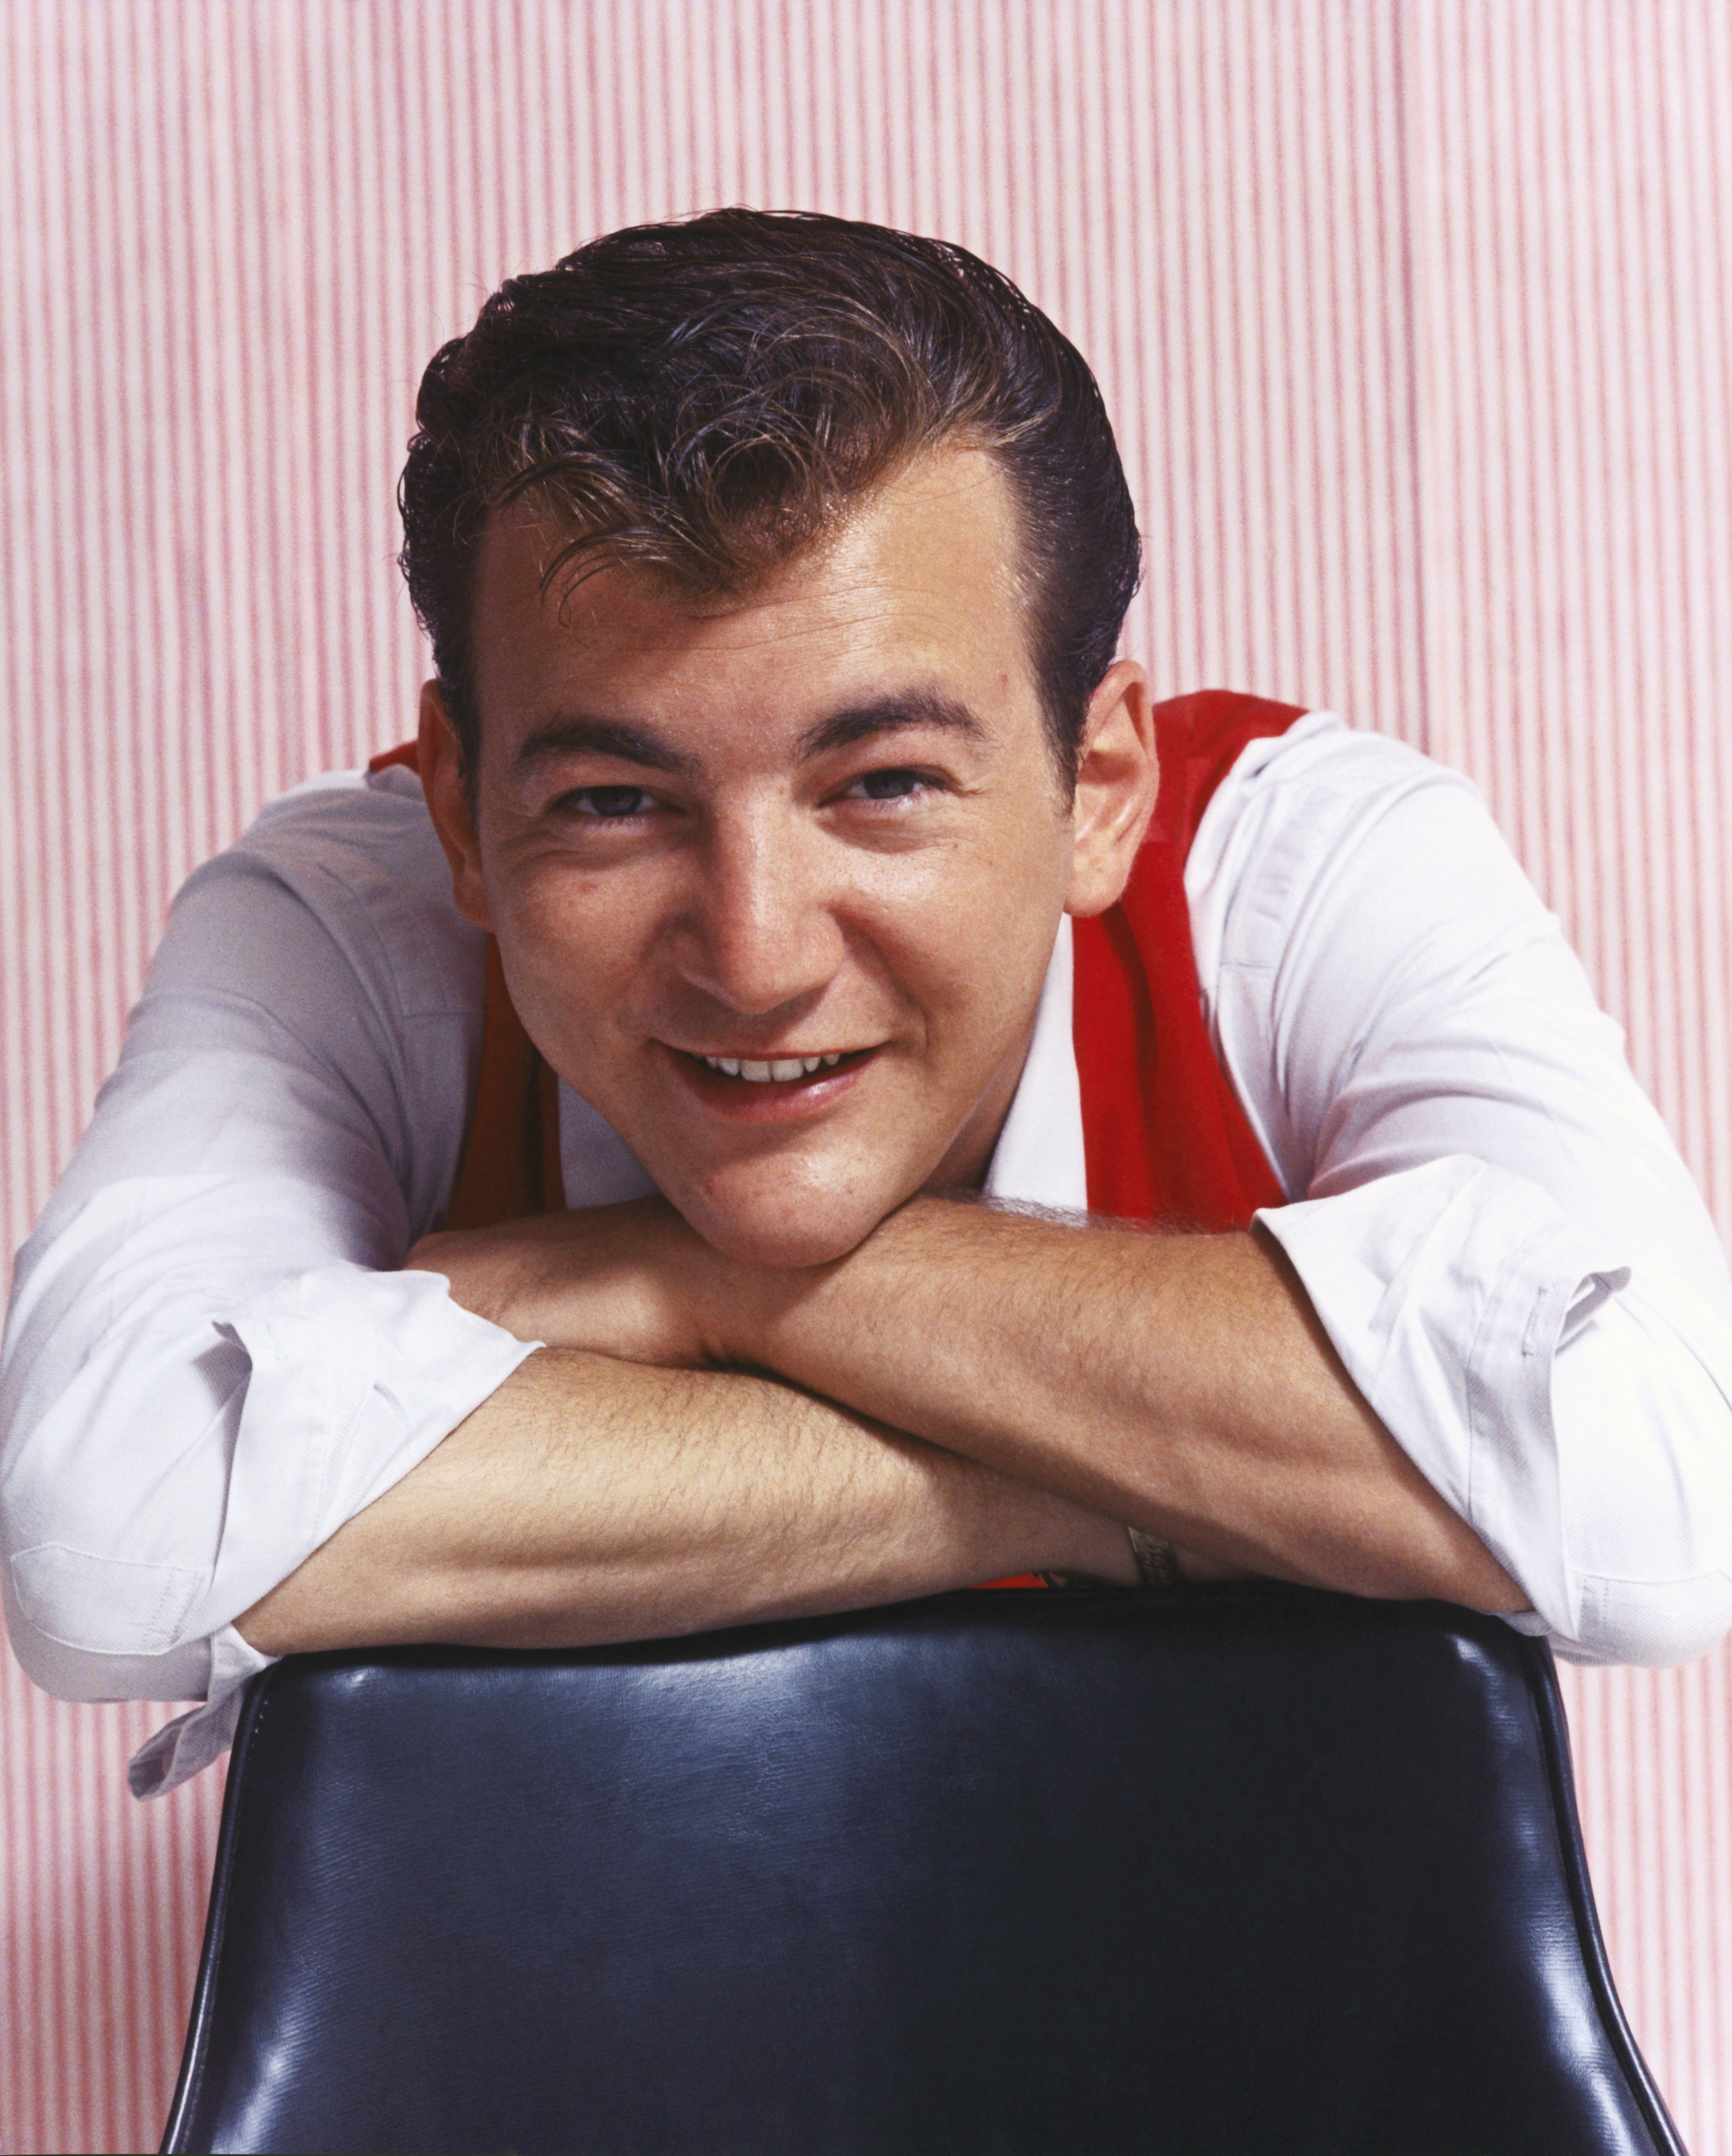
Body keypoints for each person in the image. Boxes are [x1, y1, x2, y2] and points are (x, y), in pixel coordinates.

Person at [6, 210, 1732, 1800]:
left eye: (884, 783)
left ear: (1100, 778)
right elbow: (106, 1537)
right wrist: (1165, 1486)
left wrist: (684, 1285)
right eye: (615, 801)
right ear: (461, 807)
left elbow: (1661, 1496)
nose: (753, 955)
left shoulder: (1301, 863)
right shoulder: (350, 915)